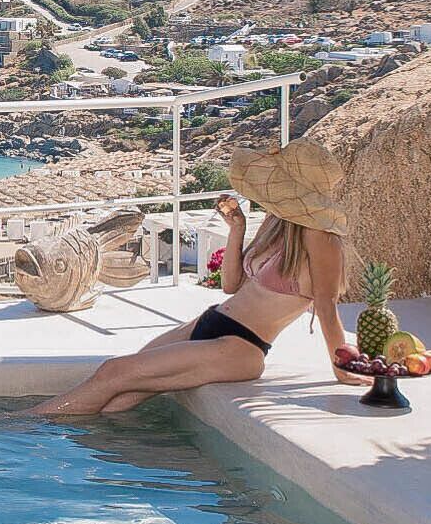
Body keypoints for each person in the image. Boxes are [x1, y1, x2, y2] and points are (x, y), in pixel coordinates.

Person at [30, 140, 354, 418]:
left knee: (113, 372)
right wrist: (237, 230)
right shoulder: (276, 225)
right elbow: (231, 285)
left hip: (242, 347)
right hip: (212, 321)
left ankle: (26, 424)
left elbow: (326, 307)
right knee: (123, 393)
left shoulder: (321, 237)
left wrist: (342, 369)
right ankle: (76, 440)